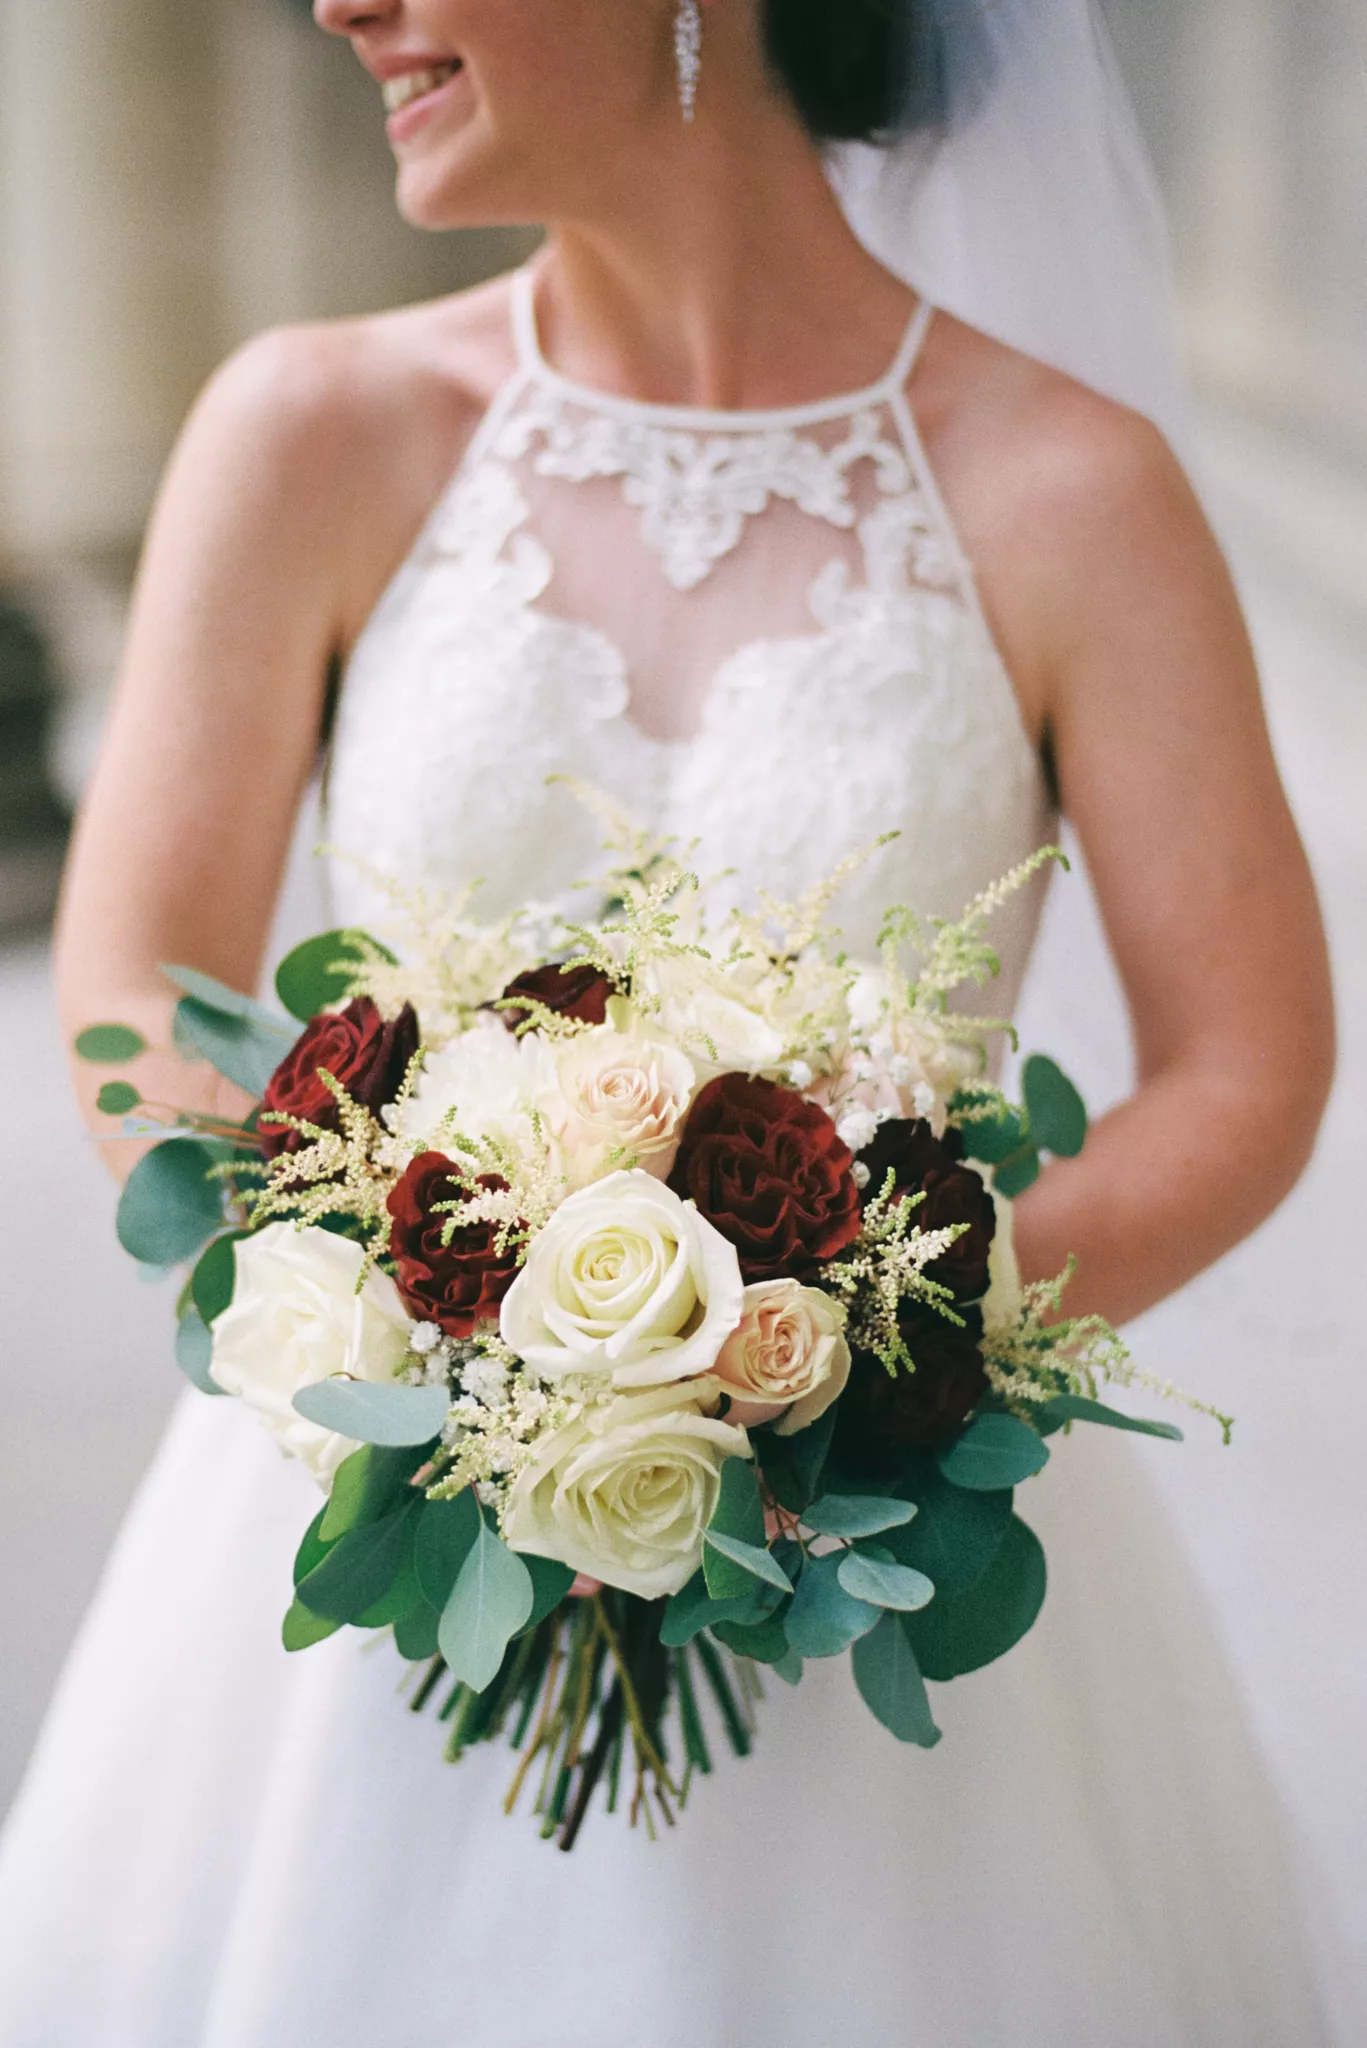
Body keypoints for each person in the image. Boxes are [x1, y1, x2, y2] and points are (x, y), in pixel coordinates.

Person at [0, 1, 1338, 2042]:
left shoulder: (1070, 488)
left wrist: (839, 1358)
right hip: (369, 1559)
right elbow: (131, 1000)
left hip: (886, 1578)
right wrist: (421, 1327)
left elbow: (1243, 1064)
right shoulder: (308, 430)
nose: (338, 1)